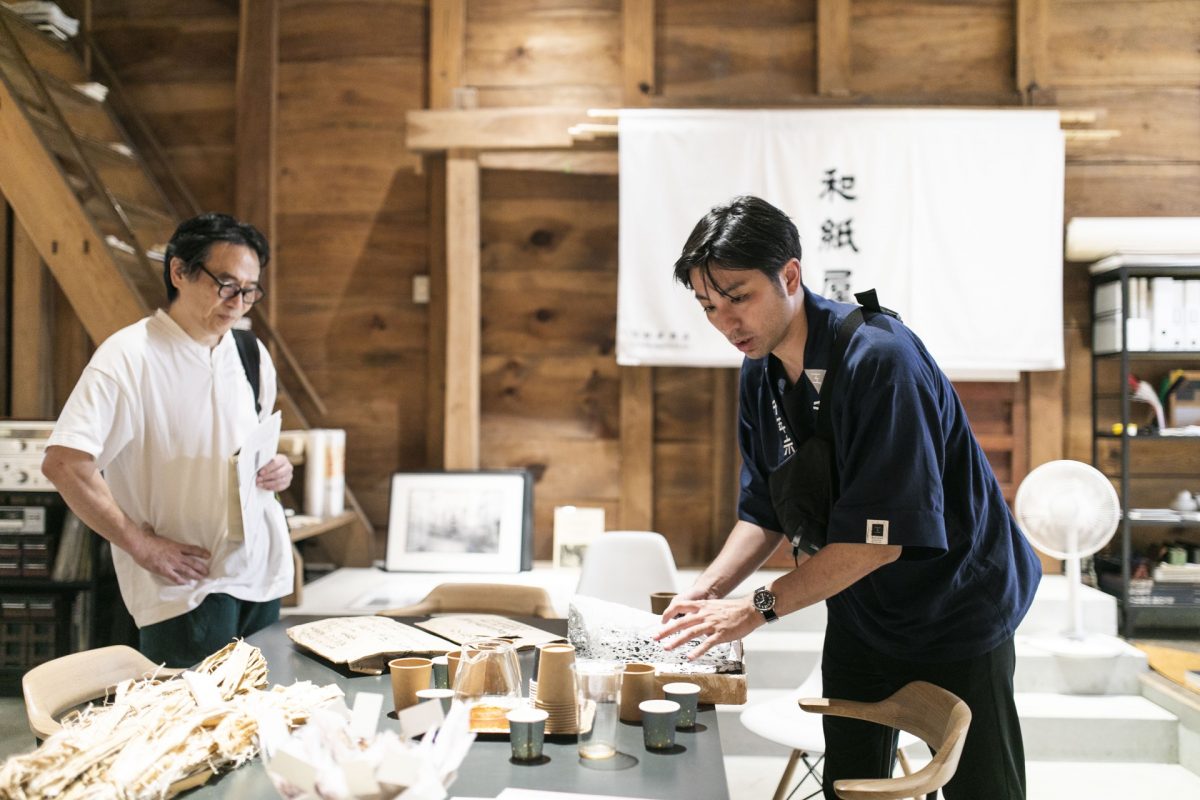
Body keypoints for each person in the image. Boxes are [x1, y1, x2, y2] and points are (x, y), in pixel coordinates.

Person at [654, 195, 1041, 799]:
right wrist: (706, 592)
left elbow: (875, 545)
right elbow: (763, 512)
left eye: (738, 297)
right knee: (849, 783)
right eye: (708, 305)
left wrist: (752, 609)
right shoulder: (759, 368)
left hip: (957, 604)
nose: (726, 322)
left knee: (982, 789)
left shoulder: (882, 359)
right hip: (861, 609)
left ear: (789, 275)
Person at [42, 212, 295, 668]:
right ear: (179, 271)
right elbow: (64, 463)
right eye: (227, 285)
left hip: (261, 575)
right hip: (184, 587)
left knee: (263, 723)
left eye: (250, 289)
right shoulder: (128, 356)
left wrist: (277, 469)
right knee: (195, 730)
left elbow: (249, 447)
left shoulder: (249, 352)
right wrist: (140, 545)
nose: (239, 302)